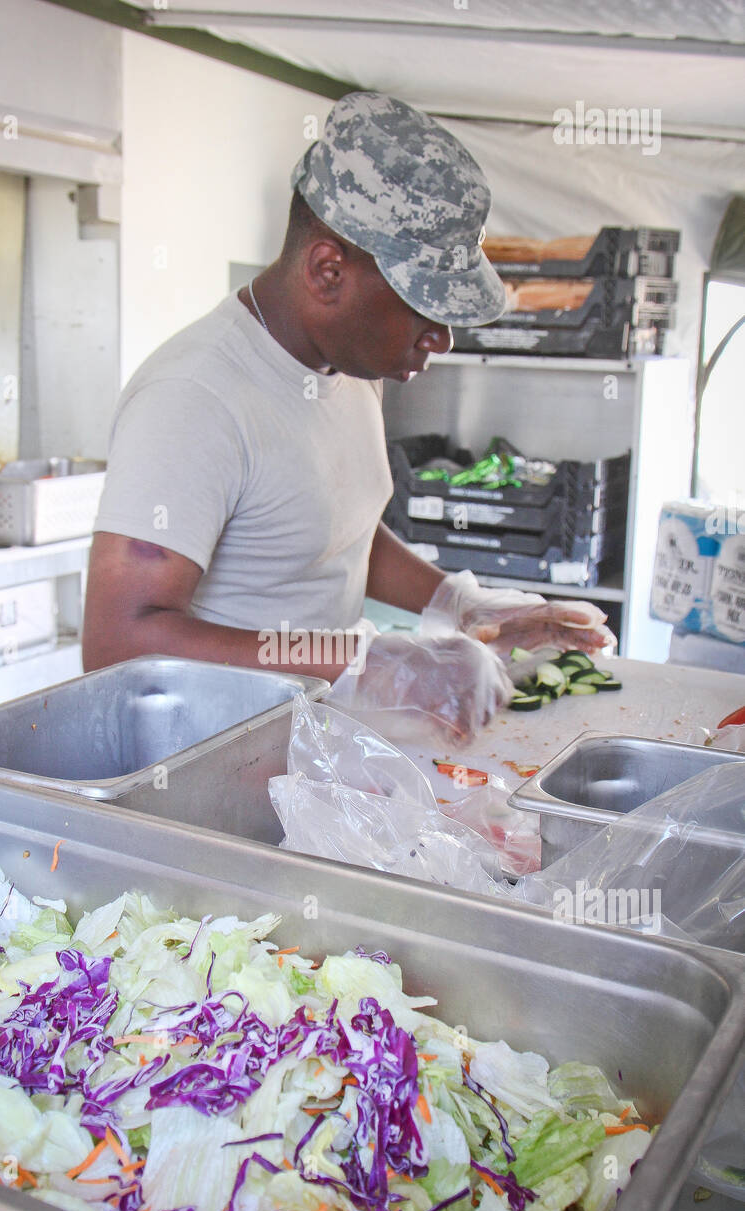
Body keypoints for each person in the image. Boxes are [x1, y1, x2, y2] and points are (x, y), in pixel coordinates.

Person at [83, 91, 611, 734]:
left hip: (321, 744)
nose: (441, 338)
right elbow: (116, 644)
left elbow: (330, 535)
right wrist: (356, 660)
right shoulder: (194, 400)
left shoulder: (352, 364)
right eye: (423, 305)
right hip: (218, 762)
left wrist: (457, 602)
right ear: (328, 270)